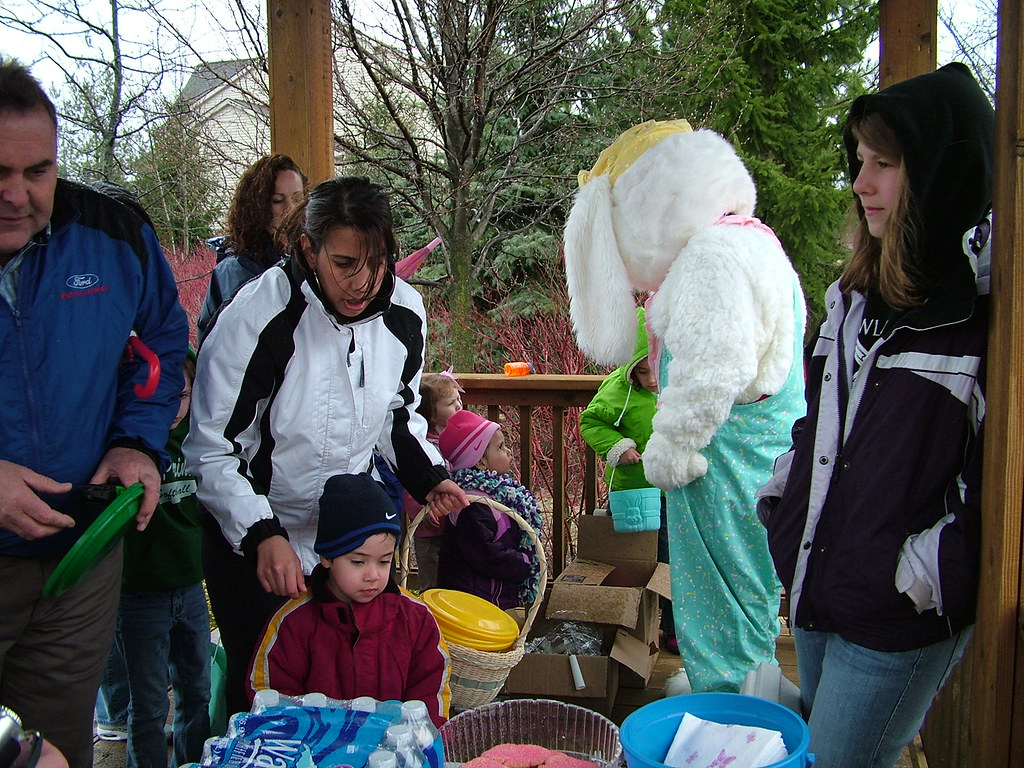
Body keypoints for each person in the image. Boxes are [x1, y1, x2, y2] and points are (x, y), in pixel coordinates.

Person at [756, 62, 994, 768]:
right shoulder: (852, 300)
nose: (860, 184)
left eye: (883, 165)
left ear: (938, 179)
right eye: (860, 162)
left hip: (897, 613)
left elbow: (994, 496)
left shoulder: (981, 327)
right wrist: (785, 499)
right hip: (824, 586)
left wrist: (909, 575)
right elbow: (817, 426)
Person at [184, 175, 467, 717]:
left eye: (376, 261)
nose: (362, 282)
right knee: (266, 696)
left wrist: (428, 476)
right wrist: (262, 534)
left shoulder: (404, 313)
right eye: (343, 264)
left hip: (345, 537)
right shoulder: (258, 317)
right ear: (309, 250)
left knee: (350, 688)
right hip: (256, 538)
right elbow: (212, 448)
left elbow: (397, 412)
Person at [0, 58, 188, 768]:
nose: (17, 195)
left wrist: (137, 442)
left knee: (57, 750)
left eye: (38, 172)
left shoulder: (113, 233)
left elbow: (162, 342)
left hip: (80, 557)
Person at [248, 474, 451, 728]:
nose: (373, 575)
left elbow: (430, 696)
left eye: (385, 561)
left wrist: (418, 740)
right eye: (358, 561)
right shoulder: (294, 622)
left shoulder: (416, 620)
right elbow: (268, 698)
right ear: (326, 556)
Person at [114, 352, 210, 768]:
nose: (171, 408)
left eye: (181, 396)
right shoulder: (124, 448)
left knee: (197, 693)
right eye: (157, 397)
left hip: (190, 589)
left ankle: (193, 761)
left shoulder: (201, 439)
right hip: (138, 595)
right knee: (150, 705)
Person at [578, 306, 675, 652]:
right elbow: (590, 423)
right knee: (634, 559)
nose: (651, 379)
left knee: (670, 558)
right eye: (642, 370)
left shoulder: (677, 387)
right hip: (632, 489)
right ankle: (630, 625)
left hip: (670, 493)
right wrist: (619, 446)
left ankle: (673, 627)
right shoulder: (617, 391)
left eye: (655, 368)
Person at [436, 410, 544, 610]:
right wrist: (526, 561)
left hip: (493, 596)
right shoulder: (473, 505)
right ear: (481, 462)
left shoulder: (499, 494)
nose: (509, 452)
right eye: (501, 447)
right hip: (474, 604)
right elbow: (485, 554)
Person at [197, 154, 306, 338]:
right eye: (278, 200)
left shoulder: (307, 258)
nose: (291, 209)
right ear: (257, 208)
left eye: (297, 199)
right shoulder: (236, 271)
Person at [404, 372, 463, 591]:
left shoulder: (459, 439)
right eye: (450, 403)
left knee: (453, 580)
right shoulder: (420, 447)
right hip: (429, 531)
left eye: (458, 399)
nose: (458, 406)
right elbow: (411, 487)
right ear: (430, 415)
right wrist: (422, 510)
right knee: (432, 580)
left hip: (455, 528)